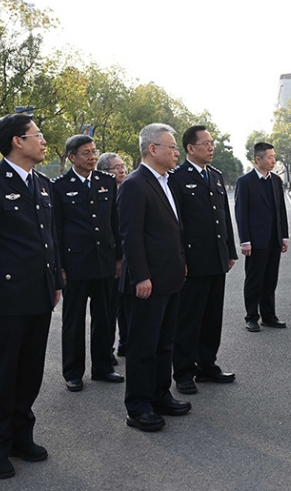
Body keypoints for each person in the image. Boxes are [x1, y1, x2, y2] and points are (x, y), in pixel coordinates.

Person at [0, 113, 63, 479]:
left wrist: (56, 280)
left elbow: (50, 237)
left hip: (38, 294)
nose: (43, 141)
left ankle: (21, 436)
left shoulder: (43, 184)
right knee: (0, 376)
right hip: (3, 298)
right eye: (37, 135)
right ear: (17, 141)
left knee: (29, 372)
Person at [117, 123, 189, 432]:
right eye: (171, 147)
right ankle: (138, 406)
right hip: (147, 283)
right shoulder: (135, 184)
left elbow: (170, 230)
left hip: (169, 278)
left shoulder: (165, 182)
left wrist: (180, 263)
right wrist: (141, 277)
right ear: (152, 149)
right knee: (142, 346)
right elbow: (130, 236)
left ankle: (160, 394)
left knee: (164, 343)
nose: (176, 153)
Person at [168, 125, 237, 395]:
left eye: (212, 143)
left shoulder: (215, 176)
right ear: (190, 148)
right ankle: (184, 372)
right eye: (205, 143)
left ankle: (207, 364)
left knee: (212, 317)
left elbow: (224, 217)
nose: (211, 147)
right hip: (193, 260)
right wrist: (180, 258)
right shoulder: (177, 178)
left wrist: (229, 250)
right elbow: (175, 224)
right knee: (189, 319)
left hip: (216, 257)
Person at [53, 136, 124, 393]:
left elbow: (115, 222)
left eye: (94, 152)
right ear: (72, 157)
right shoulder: (59, 186)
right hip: (75, 263)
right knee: (73, 320)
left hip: (104, 260)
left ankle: (103, 366)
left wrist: (119, 258)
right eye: (86, 153)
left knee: (104, 317)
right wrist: (60, 267)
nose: (92, 157)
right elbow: (56, 230)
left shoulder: (106, 181)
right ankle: (73, 372)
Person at [234, 142, 289, 333]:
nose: (274, 160)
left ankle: (269, 315)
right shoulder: (245, 182)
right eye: (270, 157)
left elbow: (281, 210)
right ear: (258, 159)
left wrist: (284, 236)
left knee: (270, 279)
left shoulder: (276, 181)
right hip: (256, 240)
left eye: (274, 157)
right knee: (254, 280)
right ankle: (251, 317)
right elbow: (241, 213)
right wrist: (245, 240)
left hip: (274, 238)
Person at [97, 152, 128, 359]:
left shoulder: (130, 189)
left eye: (123, 166)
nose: (122, 170)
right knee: (110, 307)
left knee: (127, 304)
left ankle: (126, 342)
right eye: (116, 167)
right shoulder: (103, 194)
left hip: (129, 255)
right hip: (111, 258)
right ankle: (106, 350)